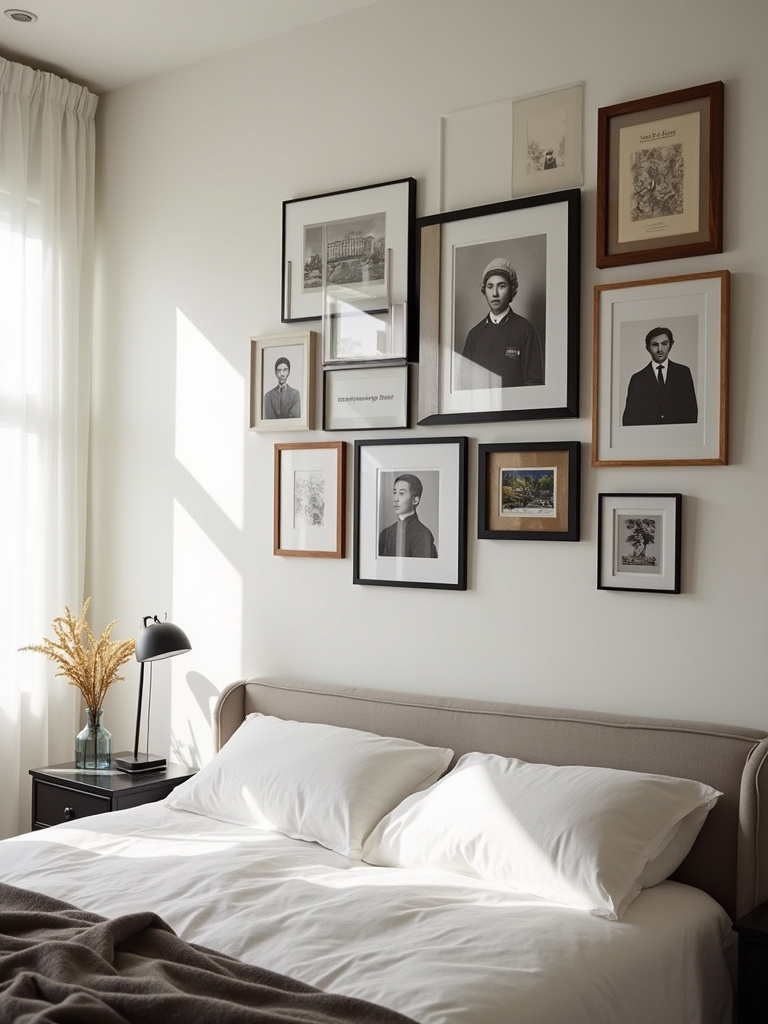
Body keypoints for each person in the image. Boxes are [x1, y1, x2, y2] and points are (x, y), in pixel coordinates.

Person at [459, 257, 544, 390]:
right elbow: (463, 386)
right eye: (490, 286)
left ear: (511, 290)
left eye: (501, 286)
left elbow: (534, 383)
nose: (495, 293)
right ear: (484, 291)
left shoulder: (525, 330)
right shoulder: (474, 335)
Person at [622, 326, 698, 426]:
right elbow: (629, 418)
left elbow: (691, 411)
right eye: (655, 345)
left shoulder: (683, 373)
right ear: (647, 348)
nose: (660, 349)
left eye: (664, 344)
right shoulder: (637, 379)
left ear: (671, 345)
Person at [378, 473, 437, 559]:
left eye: (401, 493)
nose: (396, 499)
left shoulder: (423, 534)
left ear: (415, 500)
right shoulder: (386, 533)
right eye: (394, 492)